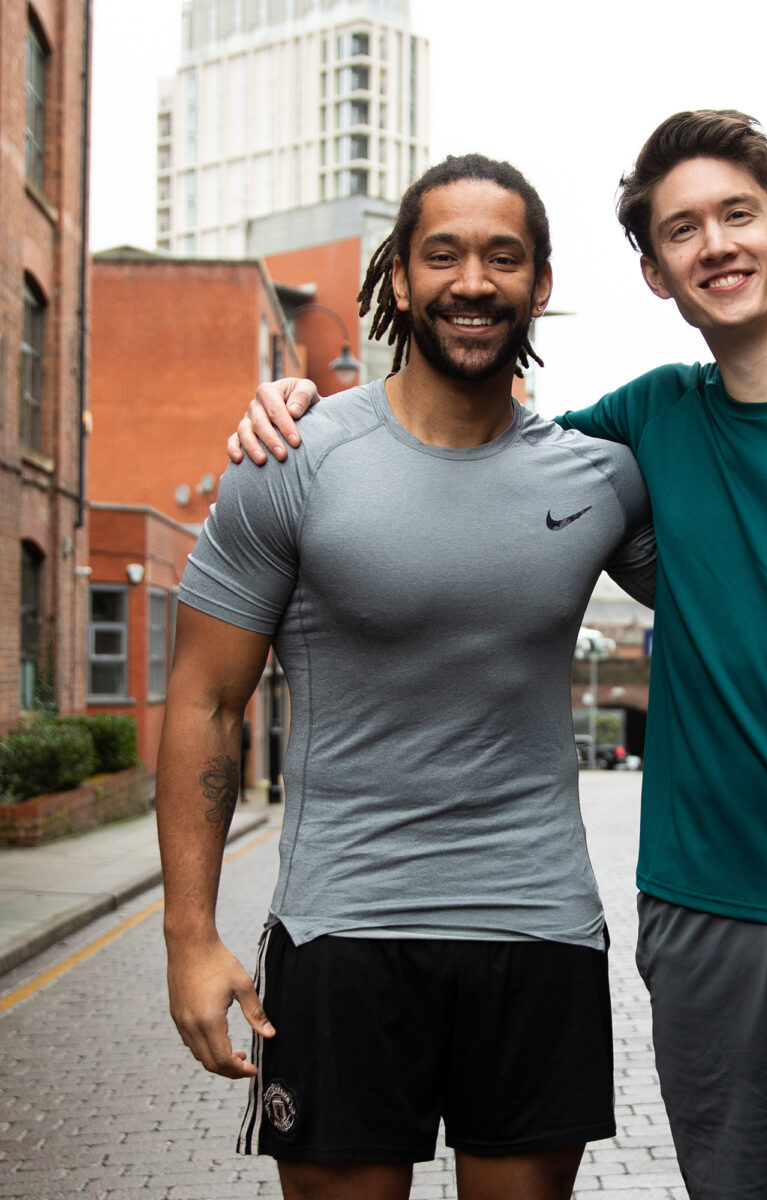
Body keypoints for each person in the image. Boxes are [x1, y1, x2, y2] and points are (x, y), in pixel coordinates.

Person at [232, 111, 767, 1200]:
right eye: (681, 231)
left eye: (737, 214)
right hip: (698, 918)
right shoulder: (645, 425)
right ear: (657, 274)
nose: (715, 244)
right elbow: (469, 437)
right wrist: (309, 413)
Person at [158, 154, 665, 1200]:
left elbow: (750, 578)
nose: (472, 281)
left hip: (539, 932)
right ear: (399, 277)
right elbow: (206, 702)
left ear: (540, 284)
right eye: (442, 255)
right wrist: (191, 936)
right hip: (344, 934)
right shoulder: (294, 456)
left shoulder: (602, 475)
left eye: (502, 257)